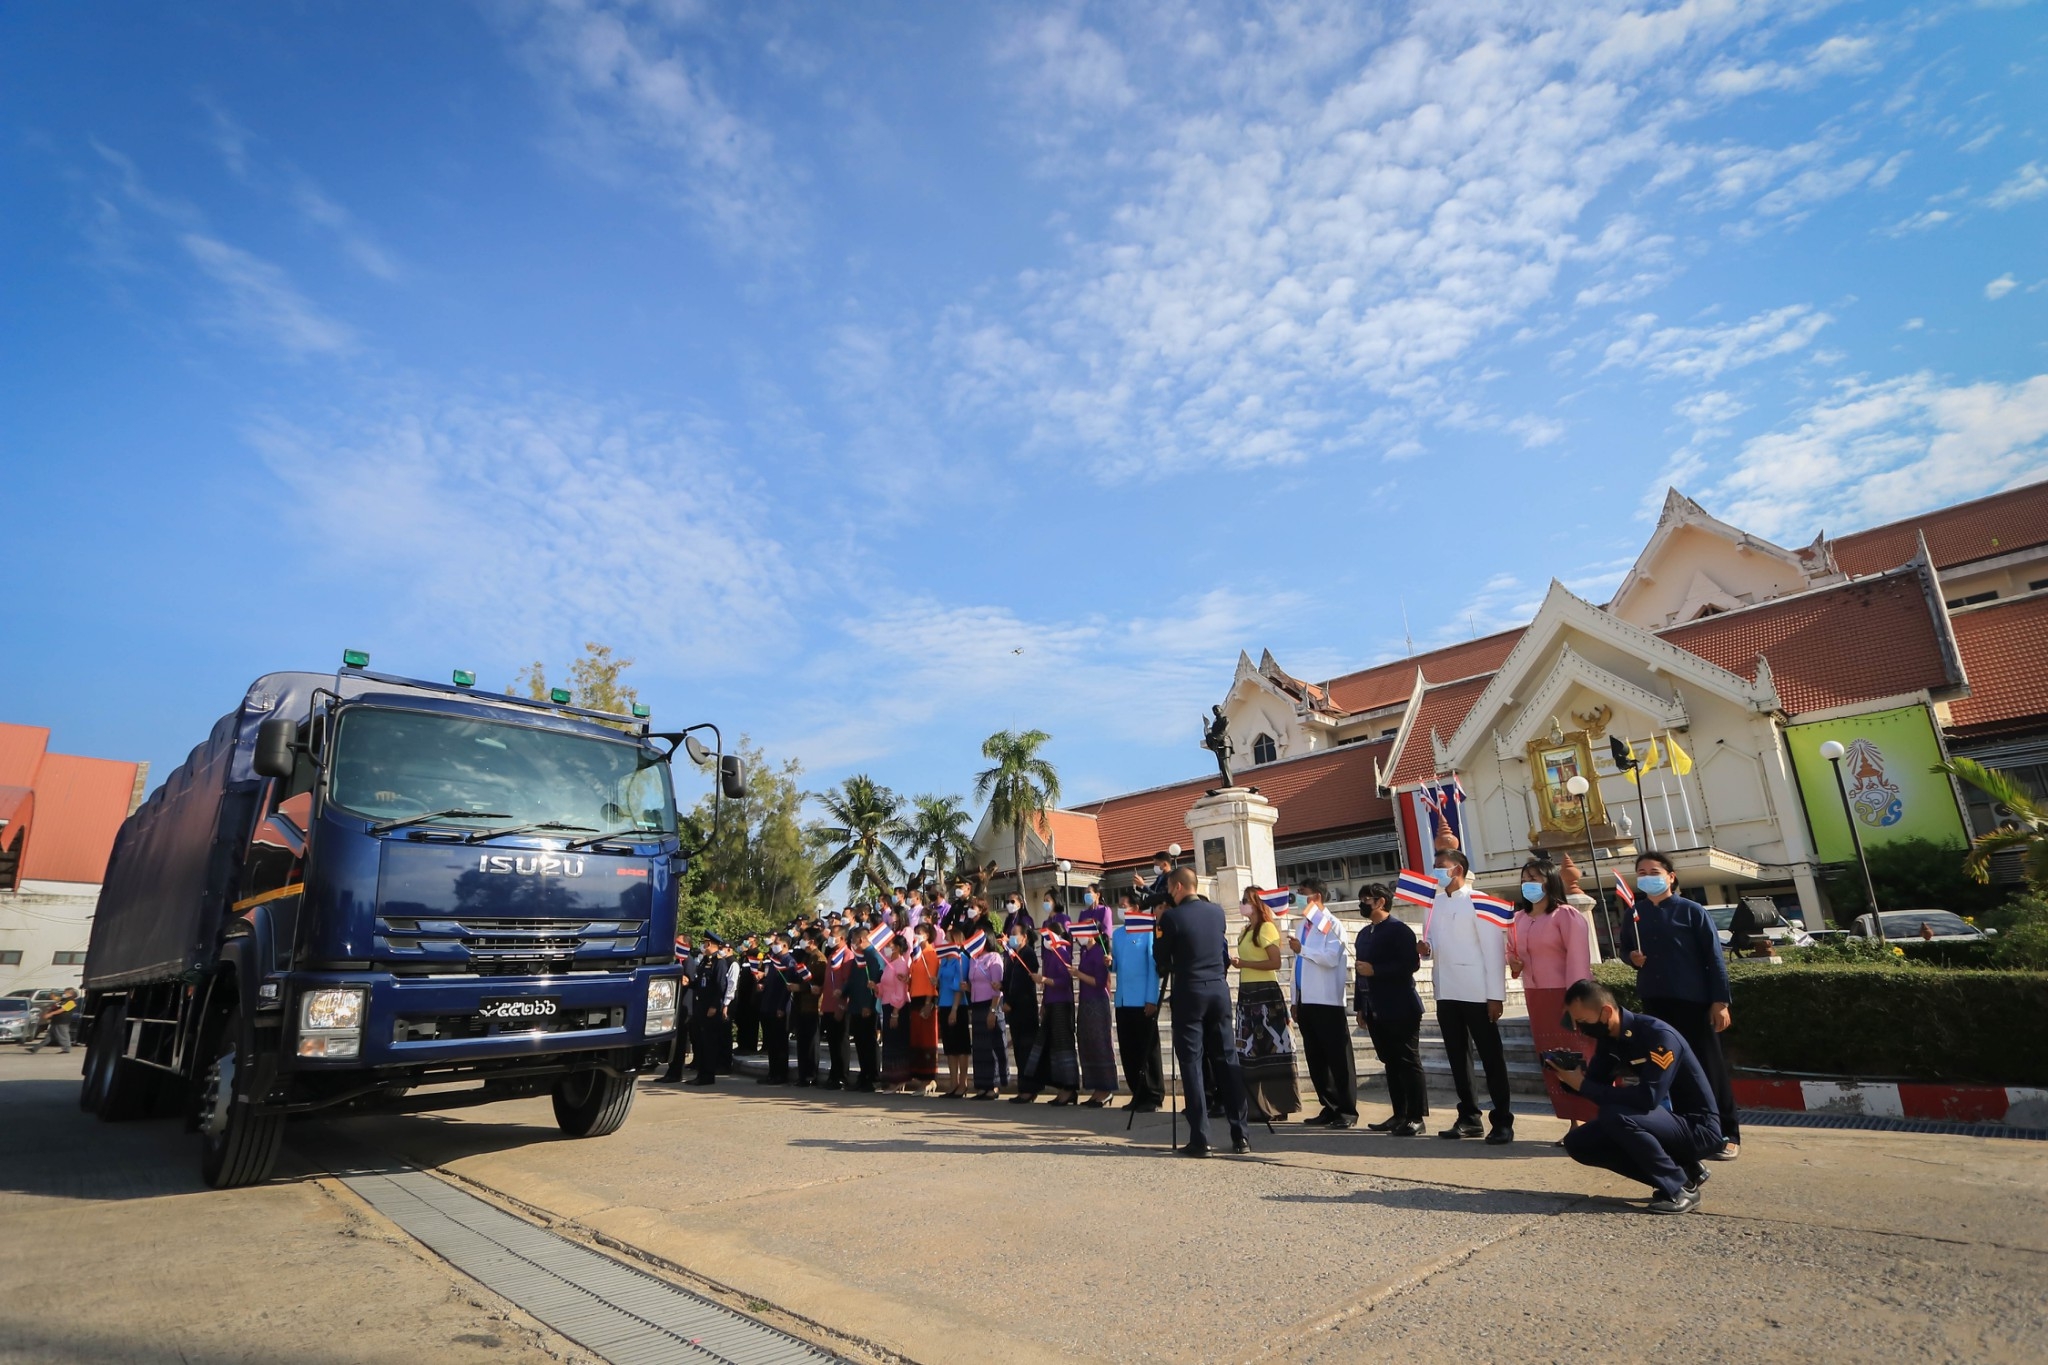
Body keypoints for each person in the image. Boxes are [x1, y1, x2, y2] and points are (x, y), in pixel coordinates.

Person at [1553, 979, 1720, 1214]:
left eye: (1582, 1021)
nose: (1581, 1028)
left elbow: (1648, 1099)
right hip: (1664, 1124)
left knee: (1615, 1115)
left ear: (1606, 1012)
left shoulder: (1658, 1035)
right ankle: (1683, 1171)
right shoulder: (1609, 1040)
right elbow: (1595, 1086)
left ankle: (1680, 1188)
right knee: (1579, 1143)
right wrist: (1569, 1077)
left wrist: (1584, 1085)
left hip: (1698, 1128)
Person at [1627, 852, 1741, 1160]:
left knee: (1710, 1068)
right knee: (1669, 1068)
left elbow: (1714, 959)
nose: (1647, 875)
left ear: (1671, 876)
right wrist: (1632, 958)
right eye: (1641, 871)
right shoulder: (1635, 914)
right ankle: (1686, 1130)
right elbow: (1628, 950)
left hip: (1693, 1002)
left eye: (1654, 870)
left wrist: (1720, 1002)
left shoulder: (1692, 911)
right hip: (1656, 1003)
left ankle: (1727, 1133)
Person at [1155, 866, 1250, 1156]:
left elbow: (1161, 959)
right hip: (1218, 991)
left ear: (1179, 887)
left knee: (1193, 1065)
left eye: (1171, 889)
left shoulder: (1171, 917)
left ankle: (1201, 1138)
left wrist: (1160, 926)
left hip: (1190, 992)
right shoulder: (1218, 912)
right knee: (1226, 1060)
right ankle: (1241, 1135)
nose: (1170, 894)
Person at [1421, 848, 1513, 1144]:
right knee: (1457, 1057)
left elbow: (1493, 951)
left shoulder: (1479, 901)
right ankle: (1469, 1117)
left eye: (1441, 866)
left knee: (1490, 1057)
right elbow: (1434, 942)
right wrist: (1427, 949)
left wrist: (1495, 995)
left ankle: (1502, 1120)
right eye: (1434, 866)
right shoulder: (1432, 904)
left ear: (1458, 869)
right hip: (1446, 989)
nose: (1436, 871)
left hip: (1476, 990)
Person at [1511, 859, 1597, 1132]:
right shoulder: (1518, 919)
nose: (1529, 884)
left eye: (1535, 878)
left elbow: (1578, 960)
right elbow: (1513, 955)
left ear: (1550, 881)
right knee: (1552, 1060)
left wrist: (1576, 1004)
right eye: (1525, 879)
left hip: (1567, 995)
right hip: (1536, 997)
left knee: (1581, 1057)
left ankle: (1595, 1119)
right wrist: (1513, 964)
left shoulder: (1566, 915)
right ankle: (1572, 1121)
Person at [1354, 883, 1427, 1136]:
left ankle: (1416, 1116)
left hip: (1400, 1005)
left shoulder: (1399, 930)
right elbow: (1358, 972)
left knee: (1407, 1061)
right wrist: (1360, 1006)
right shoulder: (1364, 934)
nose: (1362, 903)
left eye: (1367, 899)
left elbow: (1410, 965)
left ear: (1381, 901)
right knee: (1390, 1062)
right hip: (1374, 1008)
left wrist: (1377, 971)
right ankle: (1399, 1113)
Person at [1289, 879, 1357, 1129]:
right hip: (1306, 1000)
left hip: (1327, 1000)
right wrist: (1295, 999)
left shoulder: (1331, 924)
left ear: (1316, 897)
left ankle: (1347, 1110)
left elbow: (1330, 958)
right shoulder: (1301, 927)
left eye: (1302, 894)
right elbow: (1297, 966)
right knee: (1316, 1058)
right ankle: (1329, 1106)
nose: (1297, 898)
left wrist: (1303, 949)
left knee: (1338, 1058)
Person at [1233, 886, 1299, 1124]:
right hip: (1247, 994)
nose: (1243, 904)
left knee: (1272, 1048)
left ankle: (1278, 1104)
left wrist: (1245, 964)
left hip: (1265, 994)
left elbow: (1275, 962)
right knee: (1249, 1050)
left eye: (1247, 900)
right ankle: (1255, 1105)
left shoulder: (1266, 928)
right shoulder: (1245, 930)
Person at [1111, 890, 1163, 1112]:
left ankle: (1153, 1095)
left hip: (1142, 1000)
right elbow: (1116, 965)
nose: (1122, 910)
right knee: (1129, 1050)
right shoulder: (1118, 934)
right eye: (1120, 906)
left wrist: (1152, 998)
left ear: (1136, 909)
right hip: (1123, 999)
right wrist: (1108, 962)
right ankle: (1137, 1093)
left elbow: (1153, 967)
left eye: (1126, 906)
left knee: (1147, 1050)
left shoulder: (1147, 931)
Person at [1021, 922, 1081, 1105]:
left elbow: (1064, 981)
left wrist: (1043, 979)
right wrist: (1044, 1003)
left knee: (1064, 1046)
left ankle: (1069, 1088)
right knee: (1054, 1047)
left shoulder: (1062, 952)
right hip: (1051, 1004)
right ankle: (1061, 1086)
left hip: (1062, 1004)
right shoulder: (1049, 955)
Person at [1072, 920, 1117, 1106]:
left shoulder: (1099, 951)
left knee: (1100, 1045)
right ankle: (1096, 1089)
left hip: (1098, 1003)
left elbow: (1099, 982)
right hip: (1085, 1002)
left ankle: (1106, 1089)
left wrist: (1077, 974)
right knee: (1088, 1044)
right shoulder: (1085, 952)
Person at [688, 933, 736, 1085]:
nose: (702, 946)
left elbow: (720, 986)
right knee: (701, 1042)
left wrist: (715, 1006)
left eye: (704, 943)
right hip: (701, 1005)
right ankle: (701, 1074)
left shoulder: (719, 963)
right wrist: (688, 982)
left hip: (710, 1008)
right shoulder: (705, 961)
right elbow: (700, 982)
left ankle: (707, 1076)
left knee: (709, 1043)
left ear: (709, 944)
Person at [1002, 925, 1042, 1099]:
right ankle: (1023, 1088)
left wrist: (1010, 1001)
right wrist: (1002, 988)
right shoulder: (1013, 957)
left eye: (1014, 935)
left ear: (1024, 937)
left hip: (1025, 1009)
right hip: (1015, 1013)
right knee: (1019, 1050)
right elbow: (1010, 981)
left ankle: (1029, 1089)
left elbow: (1023, 983)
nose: (1011, 937)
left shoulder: (1028, 954)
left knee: (1027, 1050)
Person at [967, 930, 1007, 1099]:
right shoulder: (974, 959)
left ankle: (994, 1085)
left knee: (992, 1046)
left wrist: (993, 1010)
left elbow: (997, 988)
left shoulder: (994, 958)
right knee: (980, 1048)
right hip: (976, 1005)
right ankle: (982, 1085)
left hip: (990, 1004)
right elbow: (974, 983)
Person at [937, 925, 973, 1098]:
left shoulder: (961, 959)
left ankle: (963, 1083)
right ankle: (953, 1083)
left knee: (961, 1046)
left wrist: (954, 1009)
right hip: (943, 1004)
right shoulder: (944, 960)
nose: (944, 941)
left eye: (948, 938)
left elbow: (960, 987)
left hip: (957, 1006)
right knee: (950, 1047)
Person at [907, 922, 942, 1094]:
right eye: (915, 932)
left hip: (926, 1000)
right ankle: (920, 1077)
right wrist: (908, 981)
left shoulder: (931, 953)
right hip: (915, 998)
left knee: (928, 1040)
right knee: (917, 1040)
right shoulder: (916, 955)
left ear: (928, 935)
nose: (916, 935)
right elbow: (915, 977)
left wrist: (929, 1003)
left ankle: (929, 1079)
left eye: (919, 932)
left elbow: (932, 980)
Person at [876, 929, 913, 1093]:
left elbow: (901, 991)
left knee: (897, 1044)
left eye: (890, 945)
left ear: (897, 948)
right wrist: (875, 987)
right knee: (889, 1045)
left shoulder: (901, 965)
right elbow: (884, 989)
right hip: (886, 1005)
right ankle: (891, 1079)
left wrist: (895, 1012)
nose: (887, 948)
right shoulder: (888, 965)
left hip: (896, 1007)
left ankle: (899, 1079)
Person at [846, 924, 882, 1091]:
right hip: (855, 1005)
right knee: (860, 1043)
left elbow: (874, 981)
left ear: (860, 939)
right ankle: (863, 1075)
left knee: (869, 1043)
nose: (851, 943)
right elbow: (853, 980)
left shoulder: (873, 956)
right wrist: (843, 992)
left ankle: (872, 1077)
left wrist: (868, 1005)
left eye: (853, 939)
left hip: (868, 1007)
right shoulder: (859, 956)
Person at [820, 927, 853, 1090]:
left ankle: (842, 1076)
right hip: (828, 1005)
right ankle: (833, 1075)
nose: (830, 939)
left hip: (840, 1006)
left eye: (833, 936)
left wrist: (841, 1005)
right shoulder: (832, 955)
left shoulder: (847, 955)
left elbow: (847, 983)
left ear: (842, 938)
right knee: (833, 1043)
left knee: (841, 1042)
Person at [757, 937, 793, 1084]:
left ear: (784, 945)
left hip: (779, 1007)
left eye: (777, 943)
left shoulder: (788, 961)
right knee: (771, 1042)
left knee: (780, 1043)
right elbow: (771, 981)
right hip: (769, 1005)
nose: (774, 946)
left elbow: (787, 988)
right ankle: (772, 1073)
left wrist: (781, 1007)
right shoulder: (774, 960)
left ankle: (780, 1074)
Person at [662, 935, 697, 1081]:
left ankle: (676, 1073)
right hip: (675, 1006)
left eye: (679, 942)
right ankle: (672, 1071)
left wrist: (684, 980)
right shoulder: (677, 960)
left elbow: (690, 980)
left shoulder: (688, 961)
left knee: (679, 1042)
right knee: (673, 1042)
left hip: (684, 1007)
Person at [792, 935, 825, 1087]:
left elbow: (818, 984)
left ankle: (811, 1074)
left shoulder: (819, 959)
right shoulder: (806, 957)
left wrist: (800, 988)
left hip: (812, 1005)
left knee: (811, 1042)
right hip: (801, 1004)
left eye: (805, 939)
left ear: (813, 941)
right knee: (802, 1042)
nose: (803, 942)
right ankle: (802, 1074)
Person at [731, 937, 762, 1055]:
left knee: (751, 1022)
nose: (744, 943)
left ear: (754, 941)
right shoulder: (744, 956)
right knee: (742, 1020)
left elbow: (759, 972)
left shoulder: (757, 955)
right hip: (742, 994)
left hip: (752, 994)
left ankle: (750, 1047)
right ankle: (742, 1045)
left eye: (747, 940)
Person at [27, 988, 79, 1054]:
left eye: (65, 992)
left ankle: (66, 1049)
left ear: (70, 994)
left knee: (63, 1035)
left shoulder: (72, 1002)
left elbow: (61, 1010)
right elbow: (53, 997)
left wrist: (50, 1014)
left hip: (62, 1021)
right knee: (49, 1037)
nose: (64, 993)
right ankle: (35, 1048)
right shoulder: (62, 999)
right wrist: (52, 992)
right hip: (55, 1020)